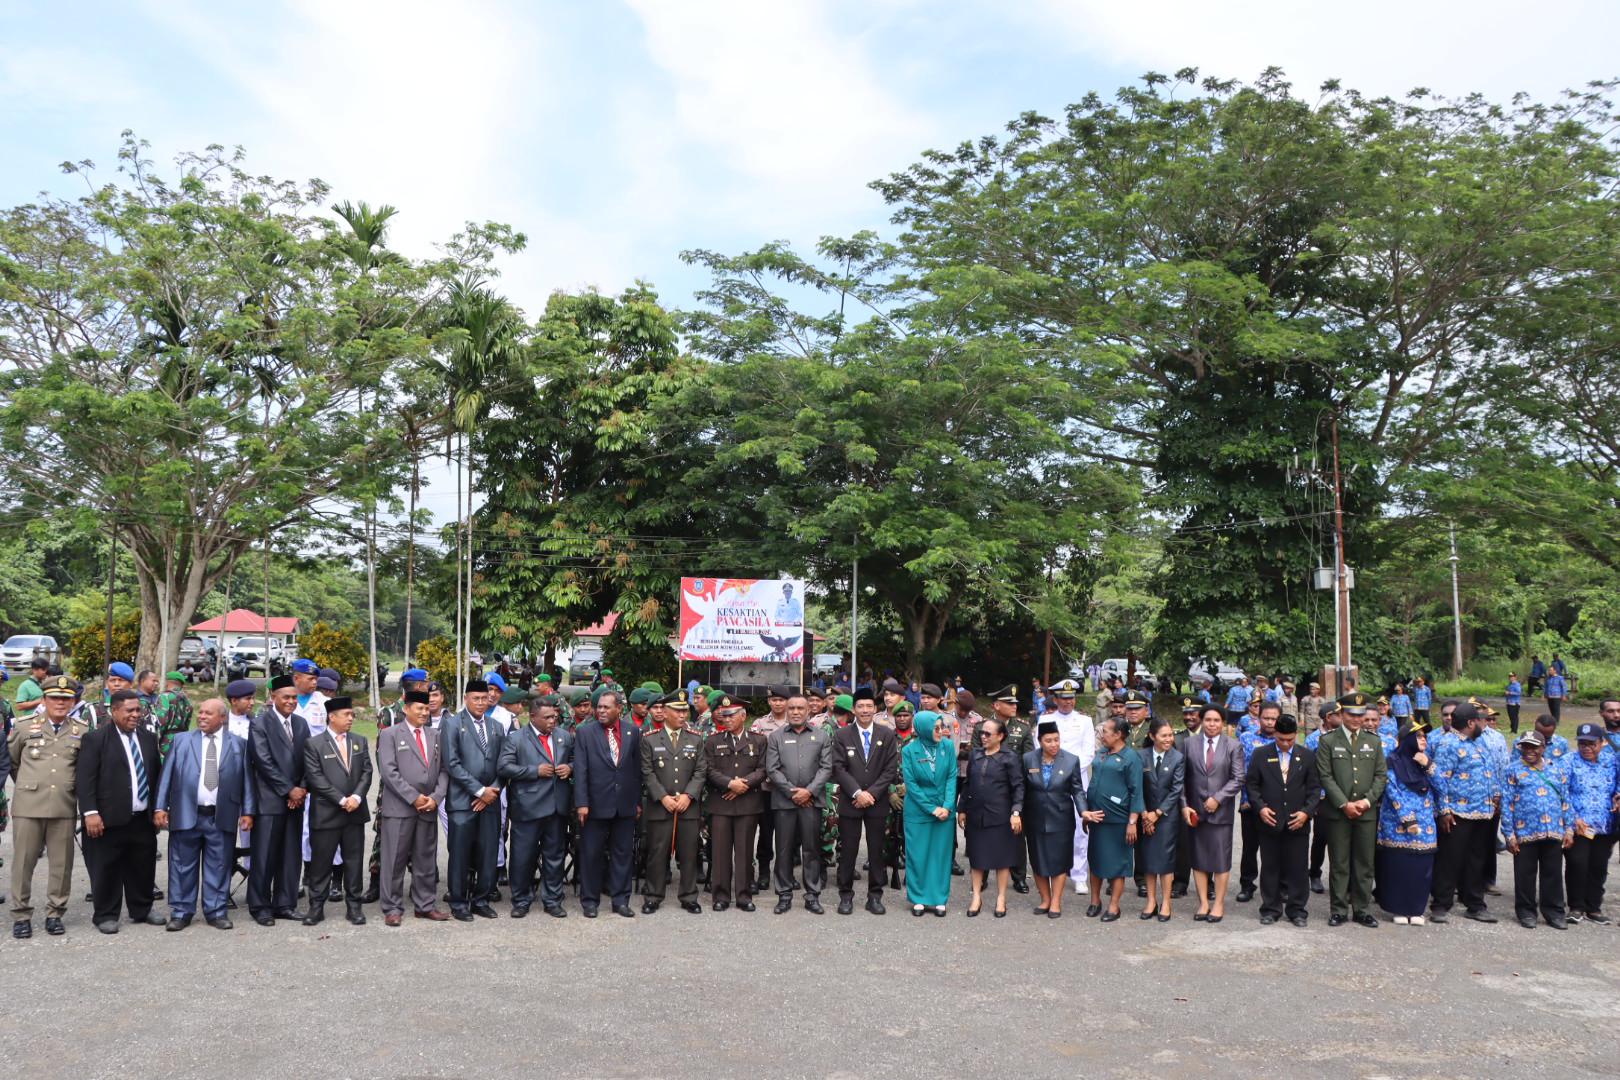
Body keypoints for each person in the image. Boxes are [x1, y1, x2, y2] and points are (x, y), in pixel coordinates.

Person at [157, 698, 254, 931]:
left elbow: (247, 780)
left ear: (222, 718)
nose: (201, 716)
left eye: (208, 713)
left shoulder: (238, 744)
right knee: (182, 865)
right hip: (186, 813)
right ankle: (181, 911)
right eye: (200, 712)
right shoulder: (181, 741)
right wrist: (160, 807)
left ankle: (216, 910)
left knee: (219, 865)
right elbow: (166, 776)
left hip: (221, 814)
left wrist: (248, 811)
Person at [76, 688, 163, 934]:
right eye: (130, 710)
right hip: (107, 819)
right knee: (106, 868)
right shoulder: (95, 739)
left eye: (139, 710)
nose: (136, 715)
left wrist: (158, 808)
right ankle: (105, 914)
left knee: (143, 866)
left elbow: (155, 776)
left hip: (141, 818)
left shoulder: (147, 738)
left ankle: (142, 909)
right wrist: (90, 813)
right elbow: (85, 779)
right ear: (114, 711)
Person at [9, 676, 91, 938]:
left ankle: (55, 913)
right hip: (28, 806)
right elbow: (12, 762)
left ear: (72, 702)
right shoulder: (23, 727)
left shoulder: (82, 730)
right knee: (23, 863)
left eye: (66, 698)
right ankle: (21, 915)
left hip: (63, 806)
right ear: (44, 700)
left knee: (61, 864)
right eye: (55, 697)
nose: (60, 703)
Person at [375, 689, 450, 926]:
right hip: (400, 807)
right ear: (406, 709)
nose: (424, 713)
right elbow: (388, 771)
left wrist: (436, 797)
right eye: (419, 708)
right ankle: (392, 907)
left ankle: (425, 905)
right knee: (394, 859)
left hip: (428, 806)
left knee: (425, 858)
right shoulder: (390, 734)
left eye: (427, 709)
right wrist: (413, 797)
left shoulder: (435, 735)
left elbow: (444, 770)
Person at [1317, 693, 1387, 928]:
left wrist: (1366, 802)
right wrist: (1344, 803)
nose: (1356, 720)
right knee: (1340, 861)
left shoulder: (1374, 741)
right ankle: (1338, 909)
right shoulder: (1328, 741)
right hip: (1339, 812)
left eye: (1360, 715)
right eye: (1351, 714)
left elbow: (1380, 776)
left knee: (1365, 863)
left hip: (1366, 812)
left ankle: (1362, 909)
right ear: (1341, 715)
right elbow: (1325, 776)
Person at [1429, 701, 1501, 924]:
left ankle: (1475, 904)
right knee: (1449, 860)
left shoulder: (1479, 742)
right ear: (1471, 722)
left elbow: (1490, 772)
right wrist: (1444, 811)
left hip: (1483, 812)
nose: (1484, 723)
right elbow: (1440, 779)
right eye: (1480, 720)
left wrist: (1496, 795)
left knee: (1476, 860)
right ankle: (1441, 904)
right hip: (1458, 813)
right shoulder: (1449, 745)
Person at [301, 697, 371, 926]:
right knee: (321, 863)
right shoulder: (314, 744)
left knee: (353, 861)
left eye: (352, 714)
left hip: (354, 813)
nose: (351, 718)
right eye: (346, 714)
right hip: (327, 813)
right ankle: (316, 907)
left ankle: (354, 907)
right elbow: (316, 779)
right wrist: (342, 800)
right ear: (332, 717)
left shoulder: (359, 741)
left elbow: (367, 772)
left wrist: (357, 797)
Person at [572, 688, 641, 918]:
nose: (600, 711)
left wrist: (637, 802)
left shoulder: (632, 732)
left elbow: (636, 770)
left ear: (619, 709)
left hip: (625, 805)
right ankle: (590, 901)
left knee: (623, 854)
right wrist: (581, 802)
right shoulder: (585, 733)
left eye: (606, 707)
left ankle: (620, 900)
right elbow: (580, 770)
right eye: (598, 707)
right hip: (594, 805)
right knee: (592, 854)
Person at [247, 674, 310, 925]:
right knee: (265, 855)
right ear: (273, 698)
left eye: (295, 697)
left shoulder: (302, 724)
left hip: (296, 801)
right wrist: (288, 790)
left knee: (290, 855)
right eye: (286, 697)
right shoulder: (260, 723)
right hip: (270, 801)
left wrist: (302, 788)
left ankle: (285, 903)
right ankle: (260, 906)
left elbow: (308, 760)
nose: (291, 702)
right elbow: (263, 762)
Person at [1244, 715, 1319, 927]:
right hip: (1270, 821)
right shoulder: (1261, 754)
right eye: (1281, 739)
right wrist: (1260, 808)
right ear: (1275, 734)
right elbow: (1252, 785)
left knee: (1298, 868)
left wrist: (1306, 813)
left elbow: (1314, 789)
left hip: (1298, 822)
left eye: (1290, 740)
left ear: (1296, 735)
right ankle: (1270, 908)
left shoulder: (1306, 756)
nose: (1285, 744)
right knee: (1270, 866)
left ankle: (1297, 910)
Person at [831, 689, 899, 915]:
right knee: (848, 850)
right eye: (860, 706)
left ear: (875, 709)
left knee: (876, 851)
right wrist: (857, 793)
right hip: (851, 802)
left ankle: (875, 896)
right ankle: (846, 895)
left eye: (869, 706)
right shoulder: (842, 735)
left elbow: (890, 769)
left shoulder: (887, 734)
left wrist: (872, 794)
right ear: (853, 709)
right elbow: (838, 768)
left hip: (877, 803)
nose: (865, 710)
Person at [765, 691, 833, 915]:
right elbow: (772, 769)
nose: (795, 712)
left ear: (808, 710)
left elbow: (826, 768)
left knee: (811, 849)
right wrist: (792, 792)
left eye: (800, 708)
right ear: (787, 709)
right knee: (783, 849)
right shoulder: (776, 736)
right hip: (785, 802)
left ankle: (812, 895)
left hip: (811, 802)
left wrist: (809, 792)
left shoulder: (821, 735)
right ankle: (784, 895)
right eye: (791, 708)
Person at [442, 678, 505, 921]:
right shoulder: (452, 724)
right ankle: (458, 902)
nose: (481, 702)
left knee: (488, 853)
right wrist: (480, 791)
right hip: (462, 802)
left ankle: (481, 900)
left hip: (491, 801)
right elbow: (452, 764)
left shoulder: (497, 726)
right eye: (476, 698)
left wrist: (493, 791)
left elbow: (504, 763)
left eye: (485, 698)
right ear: (466, 698)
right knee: (460, 854)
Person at [365, 666, 430, 902]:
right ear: (416, 686)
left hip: (421, 788)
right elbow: (384, 759)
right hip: (393, 789)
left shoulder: (425, 711)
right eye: (424, 684)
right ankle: (376, 882)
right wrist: (403, 788)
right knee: (385, 835)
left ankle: (417, 886)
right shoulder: (390, 713)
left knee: (419, 837)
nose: (427, 687)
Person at [640, 693, 704, 915]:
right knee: (657, 853)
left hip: (688, 806)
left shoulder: (696, 738)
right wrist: (663, 796)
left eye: (685, 710)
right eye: (677, 710)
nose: (682, 714)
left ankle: (688, 896)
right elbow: (647, 772)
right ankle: (653, 896)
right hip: (661, 806)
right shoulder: (650, 739)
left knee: (689, 853)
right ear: (664, 712)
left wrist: (688, 795)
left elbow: (700, 770)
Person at [1503, 731, 1574, 928]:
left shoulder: (1556, 769)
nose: (1529, 751)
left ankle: (1554, 912)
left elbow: (1565, 801)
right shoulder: (1512, 770)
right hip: (1525, 832)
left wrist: (1569, 829)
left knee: (1552, 874)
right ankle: (1526, 912)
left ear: (1543, 748)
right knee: (1525, 874)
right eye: (1525, 746)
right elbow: (1507, 804)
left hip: (1553, 830)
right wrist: (1509, 834)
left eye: (1534, 747)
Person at [703, 694, 766, 912]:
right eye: (724, 715)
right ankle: (720, 896)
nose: (726, 719)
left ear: (743, 716)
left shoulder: (758, 740)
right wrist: (730, 784)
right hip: (721, 803)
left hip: (748, 803)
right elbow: (708, 770)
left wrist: (743, 785)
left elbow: (763, 769)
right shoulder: (712, 741)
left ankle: (744, 895)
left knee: (745, 852)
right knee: (720, 852)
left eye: (731, 715)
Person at [1183, 705, 1244, 923]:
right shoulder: (1189, 744)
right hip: (1195, 812)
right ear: (1201, 721)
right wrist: (1184, 805)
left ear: (1223, 723)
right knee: (1198, 860)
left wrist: (1218, 798)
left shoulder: (1233, 746)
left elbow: (1238, 778)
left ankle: (1218, 904)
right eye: (1208, 720)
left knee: (1220, 860)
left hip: (1221, 813)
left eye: (1216, 720)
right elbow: (1181, 778)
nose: (1212, 724)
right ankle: (1203, 903)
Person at [957, 716, 1022, 917]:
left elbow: (1018, 787)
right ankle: (976, 896)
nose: (983, 736)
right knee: (977, 857)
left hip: (1001, 815)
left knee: (1001, 859)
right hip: (976, 814)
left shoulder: (1010, 758)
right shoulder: (975, 754)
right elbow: (968, 784)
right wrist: (962, 808)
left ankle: (1001, 897)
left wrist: (1016, 812)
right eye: (981, 733)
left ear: (1000, 736)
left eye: (988, 733)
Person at [1021, 720, 1086, 918]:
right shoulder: (1028, 759)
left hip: (1061, 818)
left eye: (1057, 740)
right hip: (1035, 817)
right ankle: (1045, 899)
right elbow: (1021, 789)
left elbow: (1077, 790)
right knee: (1038, 860)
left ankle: (1056, 901)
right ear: (1040, 741)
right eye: (1048, 741)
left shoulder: (1071, 760)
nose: (1054, 744)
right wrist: (1016, 812)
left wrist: (1084, 812)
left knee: (1059, 861)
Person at [1376, 721, 1438, 925]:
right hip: (1397, 825)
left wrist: (1428, 765)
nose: (1423, 740)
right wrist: (1408, 819)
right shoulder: (1392, 761)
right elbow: (1392, 791)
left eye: (1424, 736)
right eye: (1418, 736)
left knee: (1421, 868)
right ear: (1407, 739)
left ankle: (1416, 909)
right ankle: (1398, 908)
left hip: (1425, 825)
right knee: (1399, 867)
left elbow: (1443, 788)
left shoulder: (1426, 762)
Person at [1038, 679, 1095, 896]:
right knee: (1052, 827)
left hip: (1077, 779)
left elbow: (1088, 752)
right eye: (1063, 698)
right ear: (1056, 699)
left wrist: (1068, 770)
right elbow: (1039, 748)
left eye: (1071, 698)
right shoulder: (1046, 719)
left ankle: (1079, 875)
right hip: (1051, 781)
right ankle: (1054, 870)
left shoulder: (1085, 721)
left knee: (1081, 828)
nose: (1067, 702)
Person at [1082, 716, 1143, 921]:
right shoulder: (1101, 753)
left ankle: (1114, 906)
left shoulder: (1130, 757)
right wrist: (1087, 814)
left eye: (1106, 731)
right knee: (1096, 861)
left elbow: (1136, 792)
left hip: (1118, 820)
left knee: (1117, 864)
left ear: (1118, 735)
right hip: (1097, 818)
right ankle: (1095, 901)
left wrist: (1132, 822)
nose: (1102, 734)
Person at [899, 710, 957, 917]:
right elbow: (911, 784)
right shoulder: (909, 750)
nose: (941, 731)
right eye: (936, 728)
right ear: (923, 729)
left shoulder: (948, 747)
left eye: (942, 727)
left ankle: (939, 898)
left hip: (944, 810)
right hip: (919, 811)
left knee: (941, 855)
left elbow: (952, 777)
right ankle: (918, 899)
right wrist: (931, 808)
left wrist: (947, 806)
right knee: (918, 855)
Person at [1563, 724, 1618, 924]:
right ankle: (1576, 906)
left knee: (1598, 866)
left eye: (1591, 744)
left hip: (1605, 825)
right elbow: (1561, 791)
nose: (1586, 748)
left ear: (1602, 743)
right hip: (1580, 824)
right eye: (1582, 743)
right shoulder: (1568, 761)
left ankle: (1593, 907)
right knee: (1577, 863)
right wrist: (1572, 817)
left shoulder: (1612, 761)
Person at [1137, 718, 1184, 921]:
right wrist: (1144, 813)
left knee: (1165, 861)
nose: (1169, 739)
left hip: (1166, 818)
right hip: (1144, 815)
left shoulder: (1177, 757)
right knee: (1147, 860)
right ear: (1152, 736)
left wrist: (1157, 813)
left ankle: (1166, 902)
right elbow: (1136, 786)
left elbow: (1176, 789)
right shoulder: (1141, 756)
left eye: (1170, 735)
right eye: (1164, 735)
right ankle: (1151, 901)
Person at [1235, 702, 1279, 904]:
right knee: (1250, 848)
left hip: (1277, 804)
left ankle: (1277, 886)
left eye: (1274, 718)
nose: (1270, 722)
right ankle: (1247, 884)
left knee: (1275, 848)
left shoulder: (1283, 740)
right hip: (1250, 804)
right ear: (1258, 718)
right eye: (1266, 718)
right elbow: (1241, 772)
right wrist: (1246, 800)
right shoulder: (1246, 738)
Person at [750, 685, 792, 895]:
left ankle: (785, 874)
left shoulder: (795, 721)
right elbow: (755, 754)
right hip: (766, 788)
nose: (778, 703)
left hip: (789, 788)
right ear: (769, 702)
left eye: (781, 700)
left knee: (788, 834)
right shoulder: (759, 724)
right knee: (766, 833)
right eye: (774, 700)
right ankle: (764, 873)